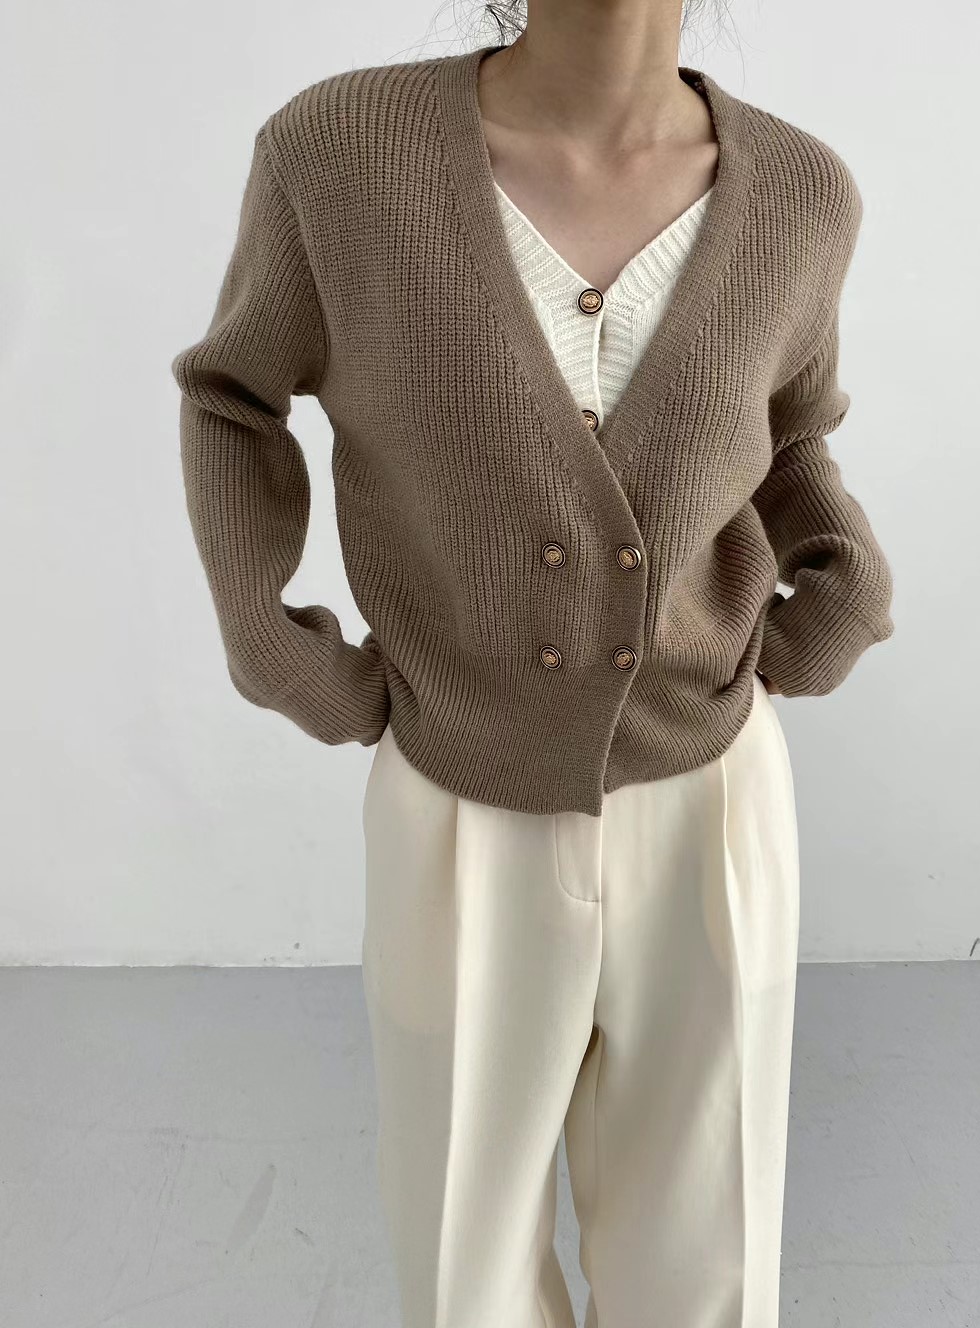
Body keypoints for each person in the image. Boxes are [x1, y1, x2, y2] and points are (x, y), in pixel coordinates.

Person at [170, 3, 895, 1324]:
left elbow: (789, 436)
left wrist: (843, 577)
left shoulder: (800, 194)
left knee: (708, 1266)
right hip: (459, 803)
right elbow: (233, 396)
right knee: (467, 1268)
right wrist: (273, 648)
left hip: (714, 804)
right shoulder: (340, 157)